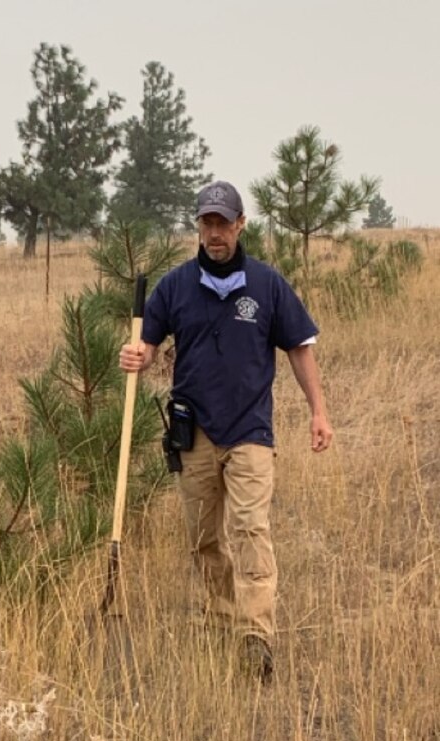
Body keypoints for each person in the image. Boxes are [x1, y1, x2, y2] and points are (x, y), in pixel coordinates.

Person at [119, 180, 333, 683]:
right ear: (198, 226)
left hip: (250, 431)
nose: (214, 233)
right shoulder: (174, 286)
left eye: (223, 223)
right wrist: (138, 356)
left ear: (240, 225)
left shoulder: (267, 285)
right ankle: (221, 621)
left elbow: (300, 348)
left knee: (251, 530)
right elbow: (147, 344)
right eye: (206, 223)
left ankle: (255, 636)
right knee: (202, 539)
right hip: (193, 433)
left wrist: (318, 412)